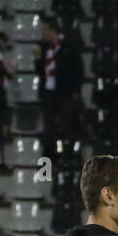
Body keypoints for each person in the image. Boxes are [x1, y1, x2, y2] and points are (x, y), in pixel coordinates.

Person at [36, 15, 83, 151]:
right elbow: (41, 72)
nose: (43, 33)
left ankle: (67, 154)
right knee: (48, 125)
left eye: (45, 30)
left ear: (52, 30)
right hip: (47, 92)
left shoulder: (69, 46)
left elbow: (78, 70)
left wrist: (75, 90)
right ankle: (49, 157)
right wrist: (38, 59)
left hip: (64, 91)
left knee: (66, 124)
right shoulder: (43, 48)